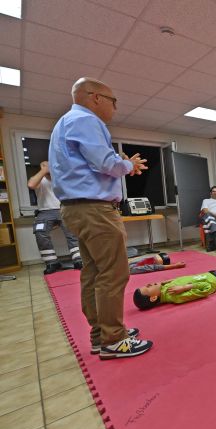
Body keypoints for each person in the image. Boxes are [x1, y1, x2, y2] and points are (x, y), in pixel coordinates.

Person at [49, 77, 152, 359]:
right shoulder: (87, 121)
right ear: (95, 97)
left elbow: (95, 162)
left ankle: (101, 335)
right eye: (113, 101)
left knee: (94, 273)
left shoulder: (63, 123)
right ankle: (113, 340)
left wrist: (122, 163)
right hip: (94, 210)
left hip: (76, 209)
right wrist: (128, 164)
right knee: (114, 274)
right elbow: (106, 163)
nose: (115, 108)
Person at [27, 161, 82, 274]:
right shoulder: (40, 180)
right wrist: (43, 170)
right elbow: (31, 185)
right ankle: (51, 262)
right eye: (45, 166)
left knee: (72, 233)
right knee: (40, 232)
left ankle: (79, 260)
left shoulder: (60, 179)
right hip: (44, 212)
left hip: (63, 209)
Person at [133, 270, 216, 310]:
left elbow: (181, 279)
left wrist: (166, 282)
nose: (149, 284)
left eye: (146, 285)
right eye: (148, 287)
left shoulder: (165, 288)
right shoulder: (175, 296)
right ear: (153, 298)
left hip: (208, 273)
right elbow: (206, 288)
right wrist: (185, 287)